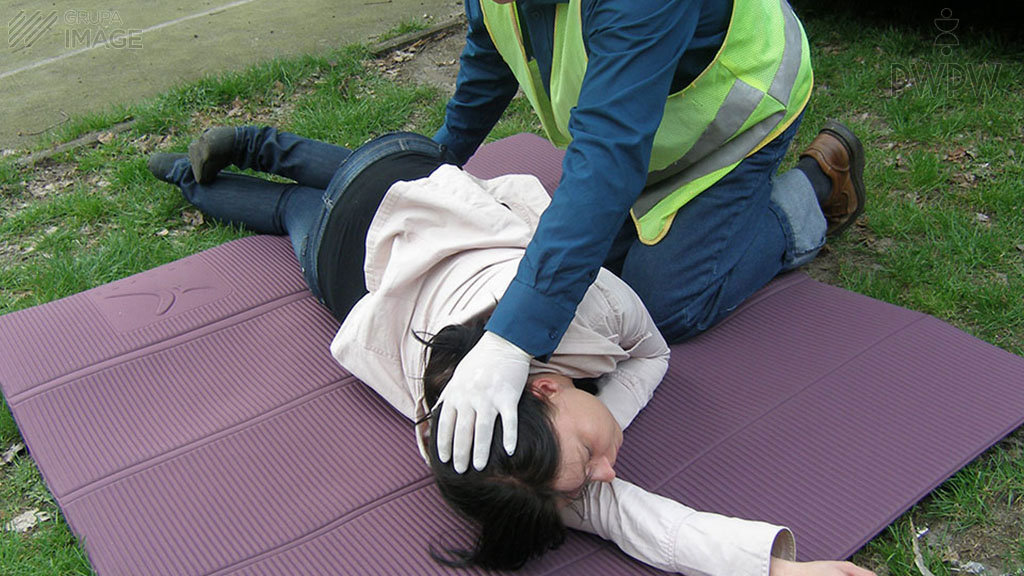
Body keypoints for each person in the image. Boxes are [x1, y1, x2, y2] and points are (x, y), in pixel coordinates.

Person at [147, 126, 874, 576]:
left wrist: (775, 570)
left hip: (378, 227)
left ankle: (210, 166)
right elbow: (640, 479)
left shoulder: (583, 322)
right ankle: (217, 161)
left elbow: (649, 375)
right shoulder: (481, 445)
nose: (608, 470)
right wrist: (774, 570)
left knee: (311, 197)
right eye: (592, 470)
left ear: (547, 388)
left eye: (588, 467)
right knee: (299, 201)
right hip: (380, 220)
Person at [431, 0, 869, 475]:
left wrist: (508, 343)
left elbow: (607, 160)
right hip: (643, 131)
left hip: (740, 116)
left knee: (666, 301)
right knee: (592, 277)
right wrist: (432, 168)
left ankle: (809, 194)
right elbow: (491, 55)